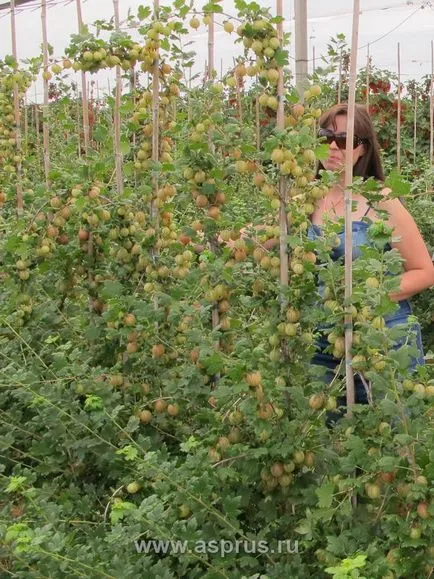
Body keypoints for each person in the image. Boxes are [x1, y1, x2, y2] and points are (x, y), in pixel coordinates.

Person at [309, 102, 434, 408]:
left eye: (345, 140)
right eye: (327, 137)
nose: (334, 147)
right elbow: (259, 234)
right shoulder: (308, 198)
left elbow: (425, 271)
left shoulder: (382, 201)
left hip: (384, 337)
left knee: (395, 433)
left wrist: (367, 295)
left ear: (362, 149)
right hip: (327, 342)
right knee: (327, 436)